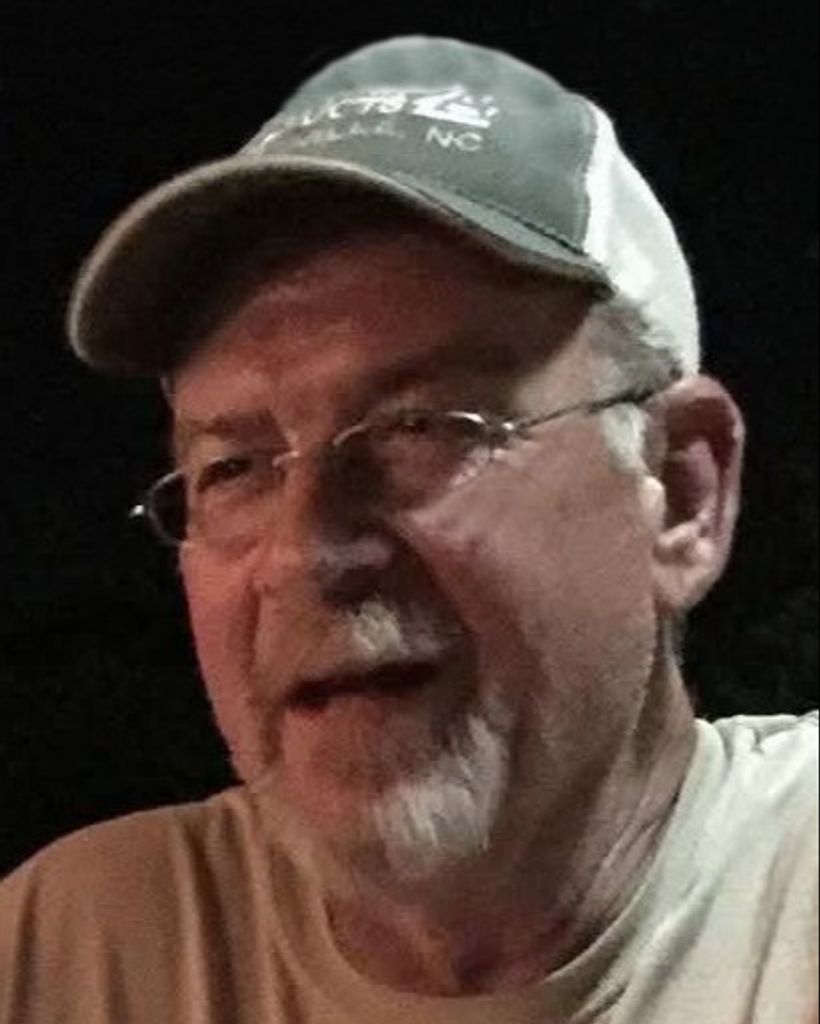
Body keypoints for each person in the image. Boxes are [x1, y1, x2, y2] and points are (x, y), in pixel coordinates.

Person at [1, 35, 816, 1024]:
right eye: (234, 468)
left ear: (681, 493)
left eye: (421, 427)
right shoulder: (71, 949)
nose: (305, 552)